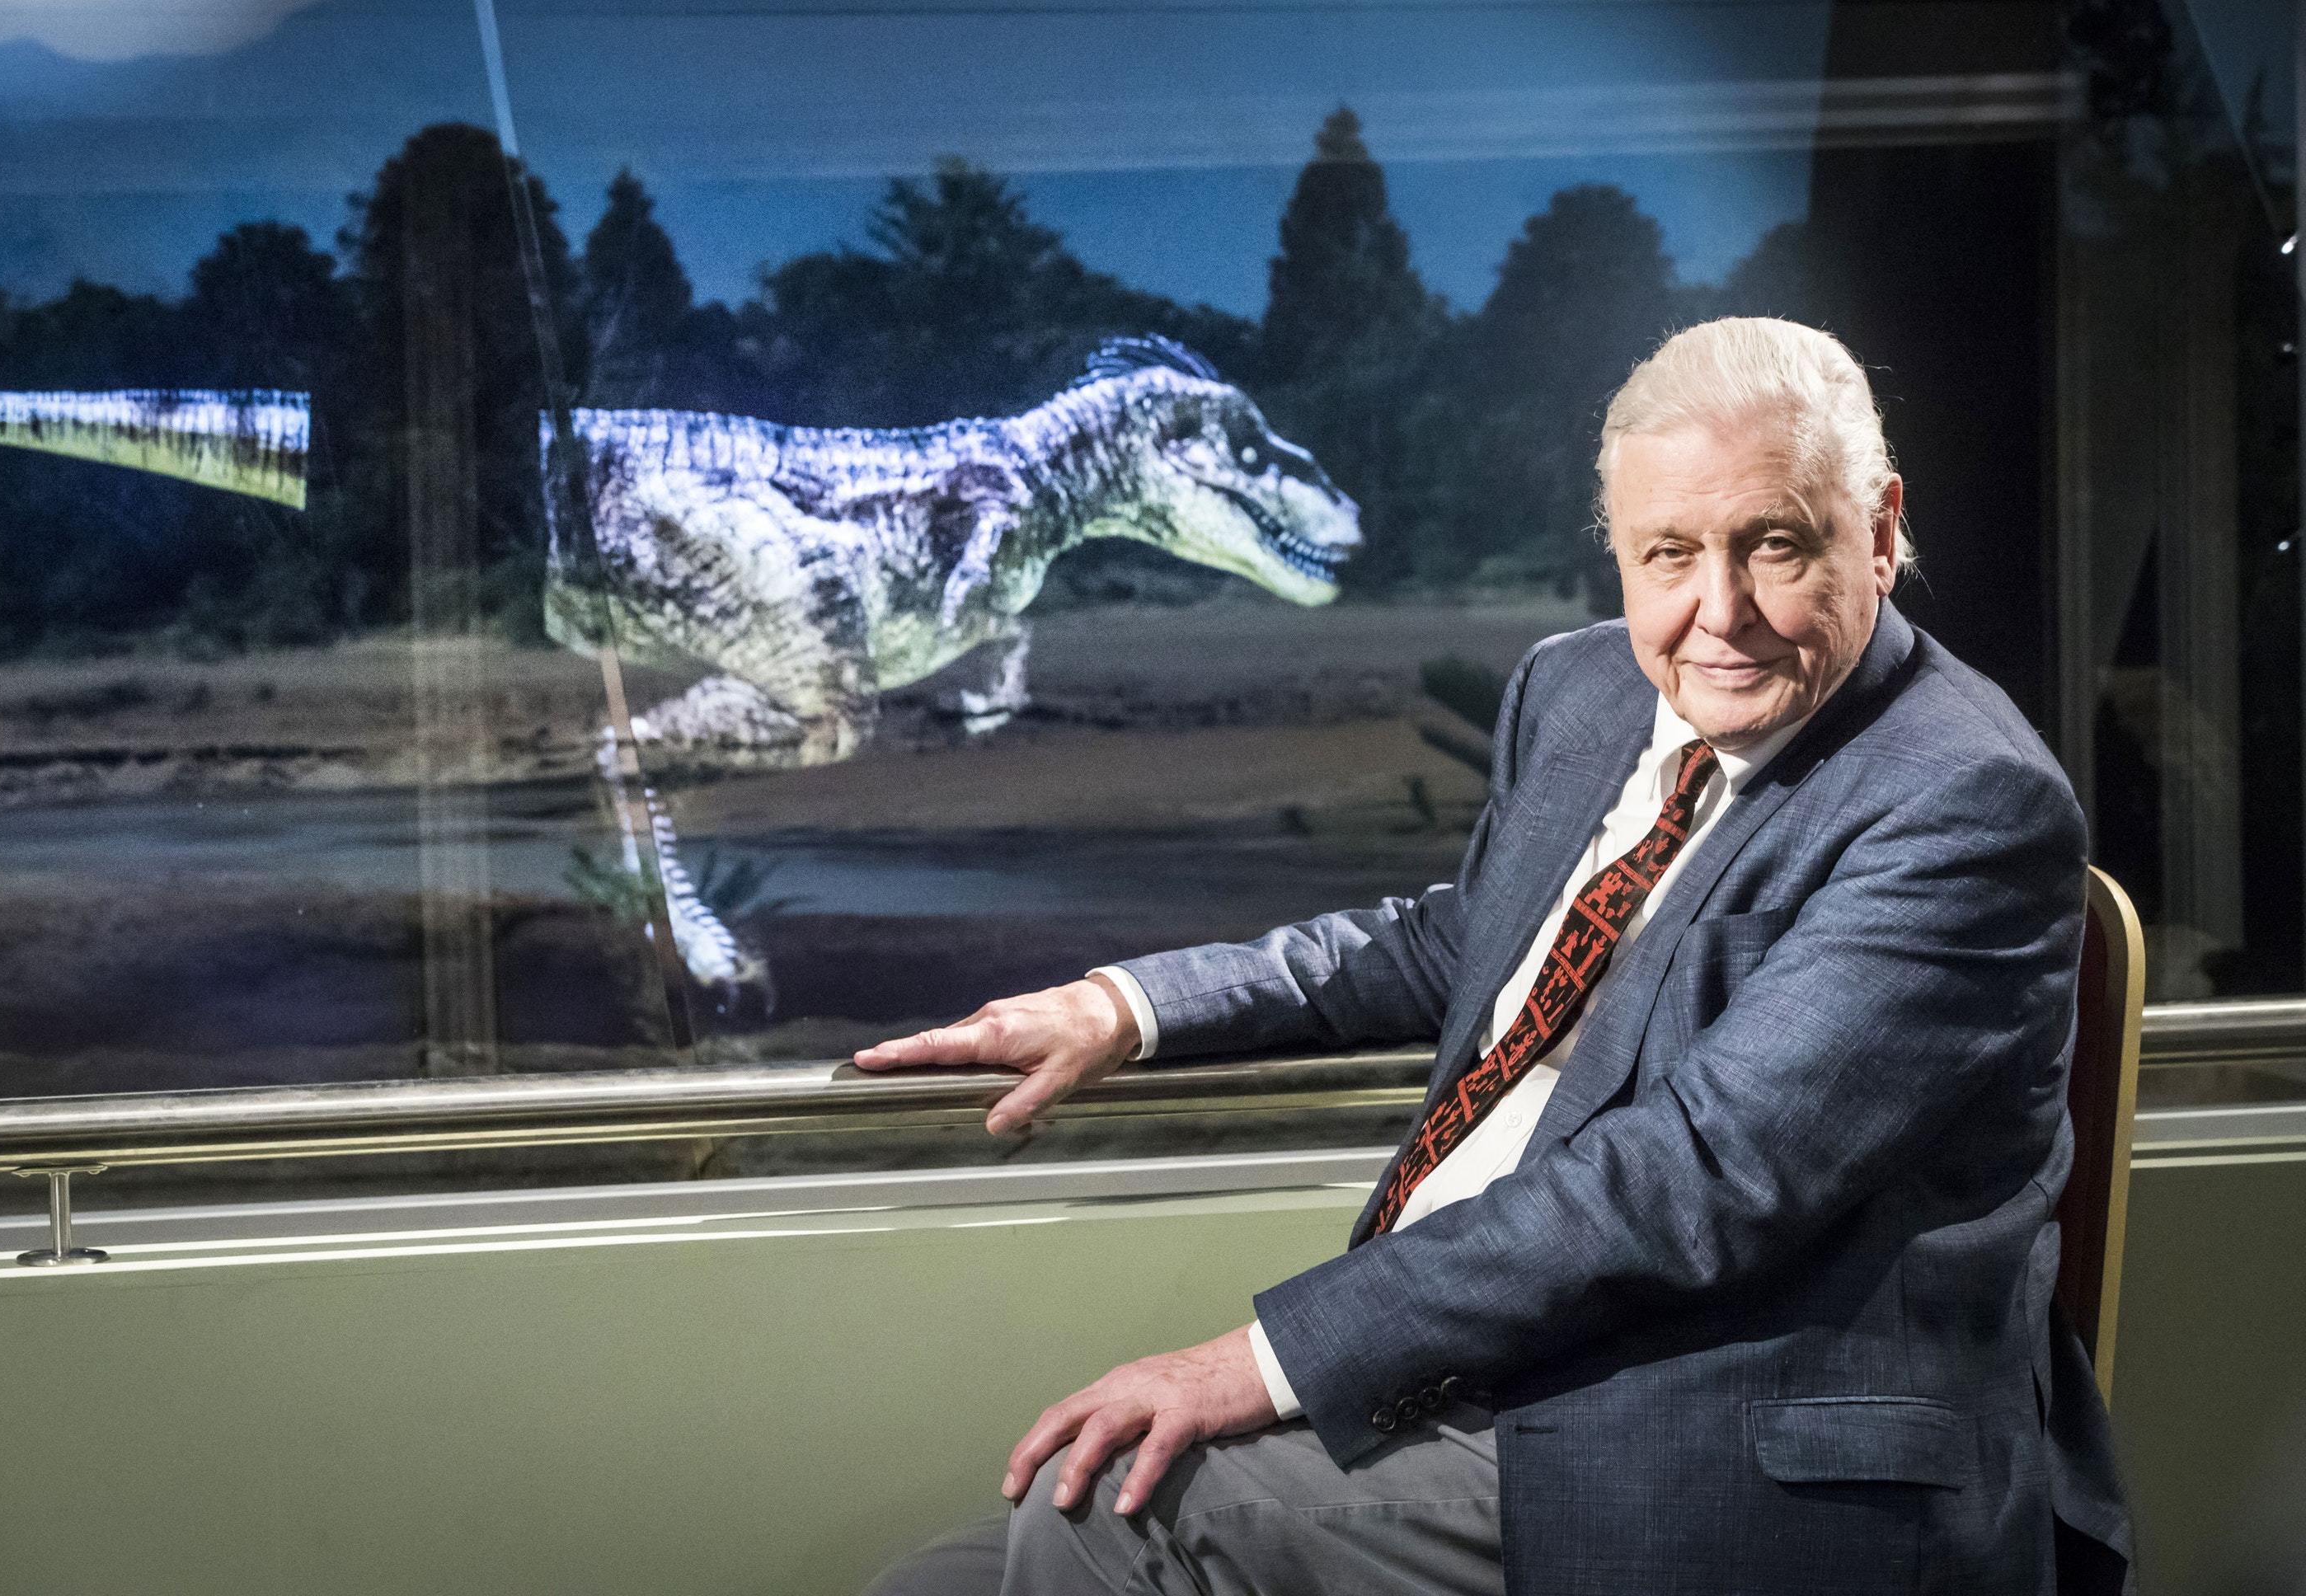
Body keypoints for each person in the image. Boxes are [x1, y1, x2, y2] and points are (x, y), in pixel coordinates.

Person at [854, 318, 2134, 1595]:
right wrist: (1127, 1007)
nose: (1720, 612)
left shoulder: (1966, 799)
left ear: (1883, 528)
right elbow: (1458, 941)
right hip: (1485, 1359)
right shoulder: (1581, 691)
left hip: (1728, 1425)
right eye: (1669, 555)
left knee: (1106, 1525)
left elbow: (1694, 1177)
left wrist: (1262, 1361)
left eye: (1777, 545)